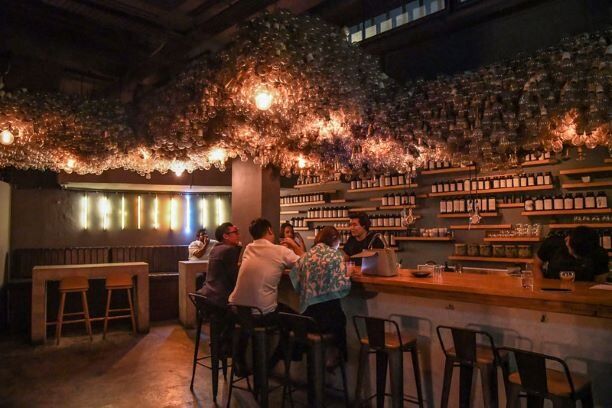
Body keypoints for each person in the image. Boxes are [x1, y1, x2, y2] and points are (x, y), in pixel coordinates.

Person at [290, 226, 351, 368]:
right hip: (326, 322)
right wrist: (348, 274)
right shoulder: (336, 256)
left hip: (306, 320)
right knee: (340, 318)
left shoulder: (305, 256)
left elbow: (296, 285)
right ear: (335, 240)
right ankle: (336, 358)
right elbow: (344, 288)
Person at [229, 218, 305, 315]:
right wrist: (294, 245)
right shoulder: (280, 251)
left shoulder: (248, 248)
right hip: (261, 312)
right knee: (292, 313)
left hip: (236, 309)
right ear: (270, 230)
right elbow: (304, 263)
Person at [533, 226, 609, 282]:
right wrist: (541, 285)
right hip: (554, 292)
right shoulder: (552, 243)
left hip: (585, 293)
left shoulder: (599, 253)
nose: (576, 257)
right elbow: (536, 265)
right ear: (567, 240)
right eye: (575, 253)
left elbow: (600, 280)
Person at [199, 222, 242, 306]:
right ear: (225, 236)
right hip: (220, 297)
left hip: (207, 293)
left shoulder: (215, 248)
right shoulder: (229, 250)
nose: (238, 235)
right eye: (235, 232)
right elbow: (234, 277)